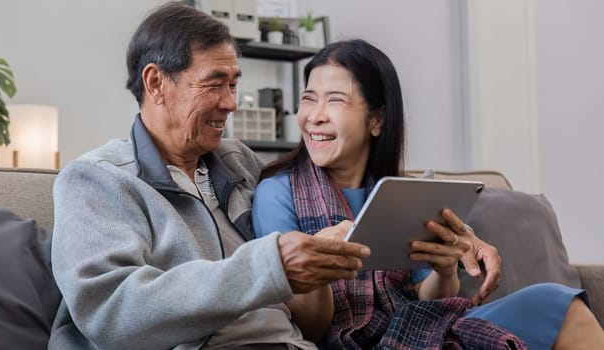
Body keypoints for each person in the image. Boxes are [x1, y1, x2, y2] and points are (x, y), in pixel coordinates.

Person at [48, 3, 372, 349]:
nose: (231, 102)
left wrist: (317, 264)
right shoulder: (96, 179)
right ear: (156, 83)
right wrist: (268, 266)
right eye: (214, 84)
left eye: (233, 84)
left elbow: (308, 322)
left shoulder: (240, 162)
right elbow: (112, 313)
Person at [252, 38, 604, 349]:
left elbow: (430, 297)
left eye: (335, 101)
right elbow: (311, 329)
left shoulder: (398, 194)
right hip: (352, 341)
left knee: (560, 304)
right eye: (309, 100)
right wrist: (319, 263)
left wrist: (445, 269)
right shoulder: (277, 193)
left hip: (423, 327)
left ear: (377, 120)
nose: (315, 116)